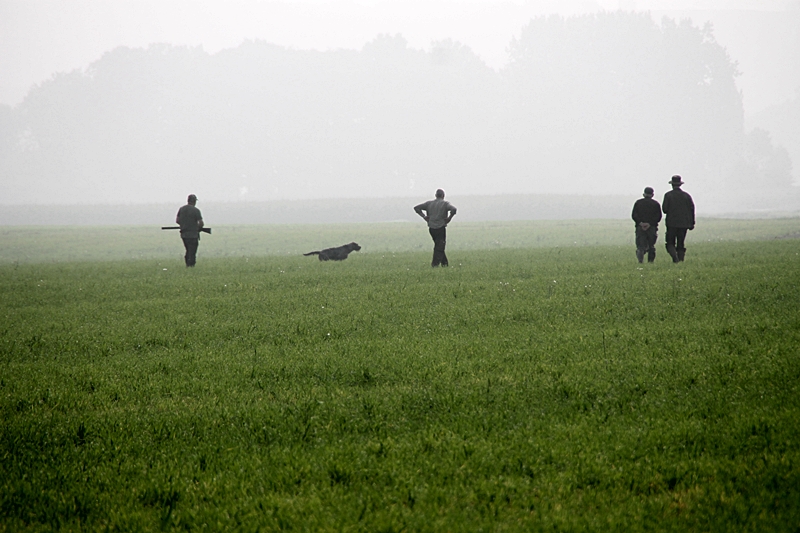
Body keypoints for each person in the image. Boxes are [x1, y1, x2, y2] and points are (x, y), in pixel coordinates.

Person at [414, 189, 457, 267]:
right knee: (439, 247)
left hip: (431, 228)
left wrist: (424, 216)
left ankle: (445, 264)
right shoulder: (445, 204)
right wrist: (449, 218)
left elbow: (416, 208)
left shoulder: (429, 204)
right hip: (441, 227)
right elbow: (453, 209)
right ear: (443, 196)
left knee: (439, 246)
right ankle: (435, 265)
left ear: (435, 195)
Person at [661, 175, 695, 262]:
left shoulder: (668, 195)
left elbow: (664, 210)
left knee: (670, 243)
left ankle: (675, 258)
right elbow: (692, 209)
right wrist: (692, 223)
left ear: (672, 184)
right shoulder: (686, 196)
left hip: (671, 223)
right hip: (684, 224)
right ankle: (680, 260)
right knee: (681, 243)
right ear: (680, 184)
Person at [631, 186, 662, 263]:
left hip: (640, 227)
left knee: (640, 246)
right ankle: (650, 262)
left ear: (644, 194)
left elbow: (634, 215)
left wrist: (641, 223)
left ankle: (640, 261)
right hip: (652, 227)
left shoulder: (638, 203)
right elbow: (658, 216)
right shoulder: (656, 204)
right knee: (651, 246)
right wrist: (649, 224)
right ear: (652, 194)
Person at [176, 194, 204, 267]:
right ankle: (191, 265)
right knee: (192, 251)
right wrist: (196, 227)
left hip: (184, 234)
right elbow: (201, 223)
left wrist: (185, 225)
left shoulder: (181, 209)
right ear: (194, 201)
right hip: (193, 235)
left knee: (188, 250)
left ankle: (188, 264)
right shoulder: (196, 210)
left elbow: (177, 221)